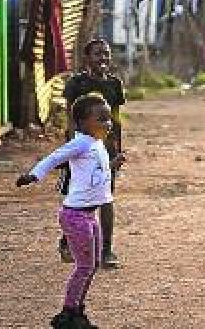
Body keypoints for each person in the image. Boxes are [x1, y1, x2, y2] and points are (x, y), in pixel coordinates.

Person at [16, 93, 125, 329]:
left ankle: (77, 311)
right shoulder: (80, 143)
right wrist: (34, 175)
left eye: (108, 118)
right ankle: (68, 313)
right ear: (82, 123)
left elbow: (97, 176)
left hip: (89, 215)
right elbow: (54, 158)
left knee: (92, 264)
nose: (108, 123)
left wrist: (113, 165)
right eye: (101, 119)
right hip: (76, 216)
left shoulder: (96, 144)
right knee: (85, 266)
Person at [60, 38, 125, 269]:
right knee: (77, 196)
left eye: (106, 54)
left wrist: (116, 147)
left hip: (105, 150)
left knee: (105, 197)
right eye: (98, 54)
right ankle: (68, 241)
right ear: (87, 58)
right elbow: (69, 118)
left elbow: (116, 120)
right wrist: (70, 148)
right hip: (80, 150)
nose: (103, 58)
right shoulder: (77, 84)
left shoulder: (114, 85)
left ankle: (106, 249)